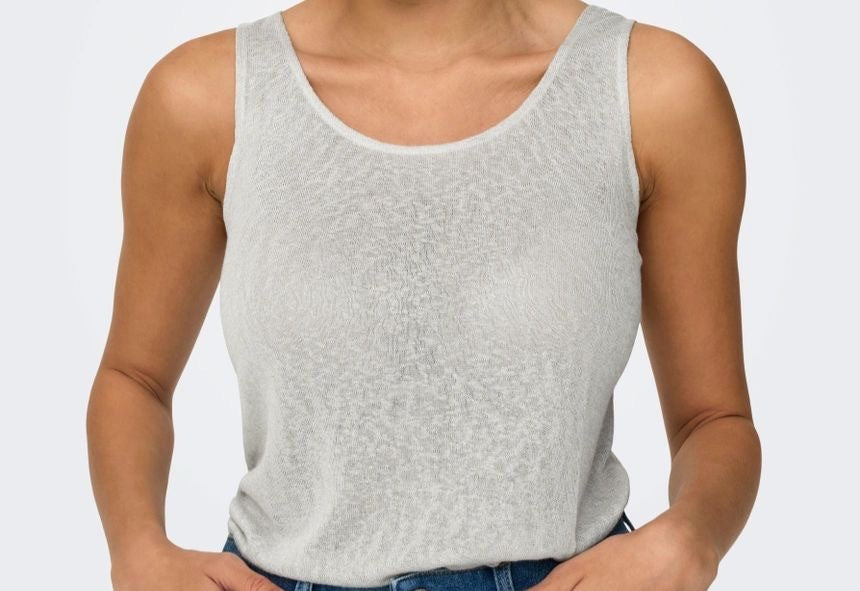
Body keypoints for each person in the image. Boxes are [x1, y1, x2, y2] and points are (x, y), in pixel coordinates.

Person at [86, 0, 760, 589]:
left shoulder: (649, 91)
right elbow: (135, 377)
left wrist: (690, 537)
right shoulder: (205, 98)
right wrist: (137, 550)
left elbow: (714, 420)